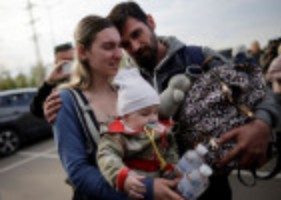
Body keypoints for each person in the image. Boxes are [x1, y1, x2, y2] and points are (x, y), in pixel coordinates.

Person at [45, 1, 281, 199]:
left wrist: (261, 123)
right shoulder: (130, 81)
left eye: (136, 35)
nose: (133, 47)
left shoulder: (197, 58)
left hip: (210, 183)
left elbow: (258, 88)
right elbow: (79, 161)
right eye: (123, 44)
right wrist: (46, 97)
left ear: (151, 22)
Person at [51, 15, 183, 200]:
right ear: (82, 52)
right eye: (108, 47)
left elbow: (156, 130)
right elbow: (78, 172)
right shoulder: (67, 101)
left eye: (119, 46)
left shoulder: (129, 85)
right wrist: (146, 189)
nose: (119, 54)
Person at [98, 67, 178, 199]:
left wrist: (171, 166)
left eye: (156, 112)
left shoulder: (158, 130)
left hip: (161, 183)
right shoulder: (117, 136)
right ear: (125, 116)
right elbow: (106, 156)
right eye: (145, 114)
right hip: (136, 188)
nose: (153, 118)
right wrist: (124, 177)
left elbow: (169, 148)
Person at [30, 42, 74, 118]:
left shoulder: (89, 79)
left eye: (72, 60)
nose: (69, 64)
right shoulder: (52, 86)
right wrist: (49, 82)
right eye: (64, 61)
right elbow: (36, 111)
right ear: (56, 63)